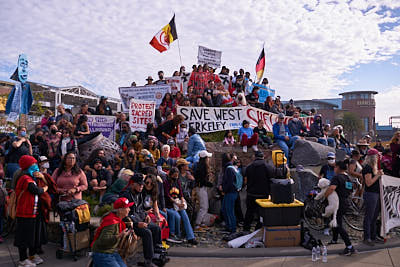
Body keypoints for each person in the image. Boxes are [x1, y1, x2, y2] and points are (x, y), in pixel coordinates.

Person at [119, 173, 164, 266]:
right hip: (129, 223)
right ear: (132, 184)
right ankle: (148, 260)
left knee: (156, 228)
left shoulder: (139, 194)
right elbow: (125, 215)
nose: (142, 186)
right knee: (147, 232)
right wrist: (136, 224)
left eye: (142, 184)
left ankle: (157, 254)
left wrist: (145, 216)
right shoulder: (126, 195)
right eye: (140, 184)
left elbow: (140, 209)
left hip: (139, 220)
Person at [14, 155, 48, 267]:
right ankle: (22, 260)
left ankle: (32, 256)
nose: (36, 167)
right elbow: (36, 190)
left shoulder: (31, 178)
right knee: (24, 238)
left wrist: (42, 178)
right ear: (28, 166)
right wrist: (45, 188)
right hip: (24, 213)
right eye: (34, 164)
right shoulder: (25, 178)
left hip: (32, 213)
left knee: (31, 237)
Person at [324, 159, 356, 255]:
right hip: (345, 202)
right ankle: (334, 239)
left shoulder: (336, 177)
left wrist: (325, 195)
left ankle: (350, 247)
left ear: (337, 167)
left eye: (335, 167)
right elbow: (350, 190)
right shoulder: (348, 178)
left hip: (337, 203)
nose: (334, 168)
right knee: (334, 220)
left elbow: (332, 188)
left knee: (338, 224)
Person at [91, 197, 134, 267]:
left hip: (111, 252)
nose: (129, 209)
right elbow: (103, 241)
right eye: (127, 207)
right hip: (102, 253)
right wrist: (120, 235)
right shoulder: (112, 222)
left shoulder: (116, 220)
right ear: (120, 210)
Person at [163, 167, 198, 245]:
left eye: (177, 175)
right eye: (174, 175)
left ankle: (191, 237)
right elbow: (167, 195)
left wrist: (182, 201)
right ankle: (176, 234)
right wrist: (176, 203)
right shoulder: (166, 183)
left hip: (178, 203)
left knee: (185, 216)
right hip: (170, 204)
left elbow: (181, 193)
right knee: (177, 216)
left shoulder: (178, 182)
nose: (176, 177)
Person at [243, 151, 273, 232]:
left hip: (251, 194)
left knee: (249, 212)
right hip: (263, 195)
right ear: (263, 157)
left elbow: (245, 180)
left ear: (254, 157)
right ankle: (258, 229)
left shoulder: (249, 167)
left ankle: (246, 229)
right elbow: (271, 180)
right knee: (262, 214)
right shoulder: (268, 167)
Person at [362, 148, 385, 246]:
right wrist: (378, 175)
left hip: (375, 194)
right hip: (371, 194)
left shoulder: (373, 168)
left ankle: (373, 236)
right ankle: (367, 237)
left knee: (374, 216)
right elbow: (368, 183)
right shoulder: (367, 168)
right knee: (369, 216)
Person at [194, 150, 213, 231]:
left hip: (202, 187)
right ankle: (197, 224)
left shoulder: (200, 166)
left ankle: (202, 222)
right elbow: (202, 181)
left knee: (205, 206)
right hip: (201, 187)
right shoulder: (202, 168)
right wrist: (210, 184)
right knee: (204, 207)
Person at [222, 153, 238, 233]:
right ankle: (230, 227)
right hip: (232, 191)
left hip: (230, 192)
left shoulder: (228, 168)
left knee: (229, 211)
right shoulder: (232, 167)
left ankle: (232, 229)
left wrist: (224, 189)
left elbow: (229, 182)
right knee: (226, 209)